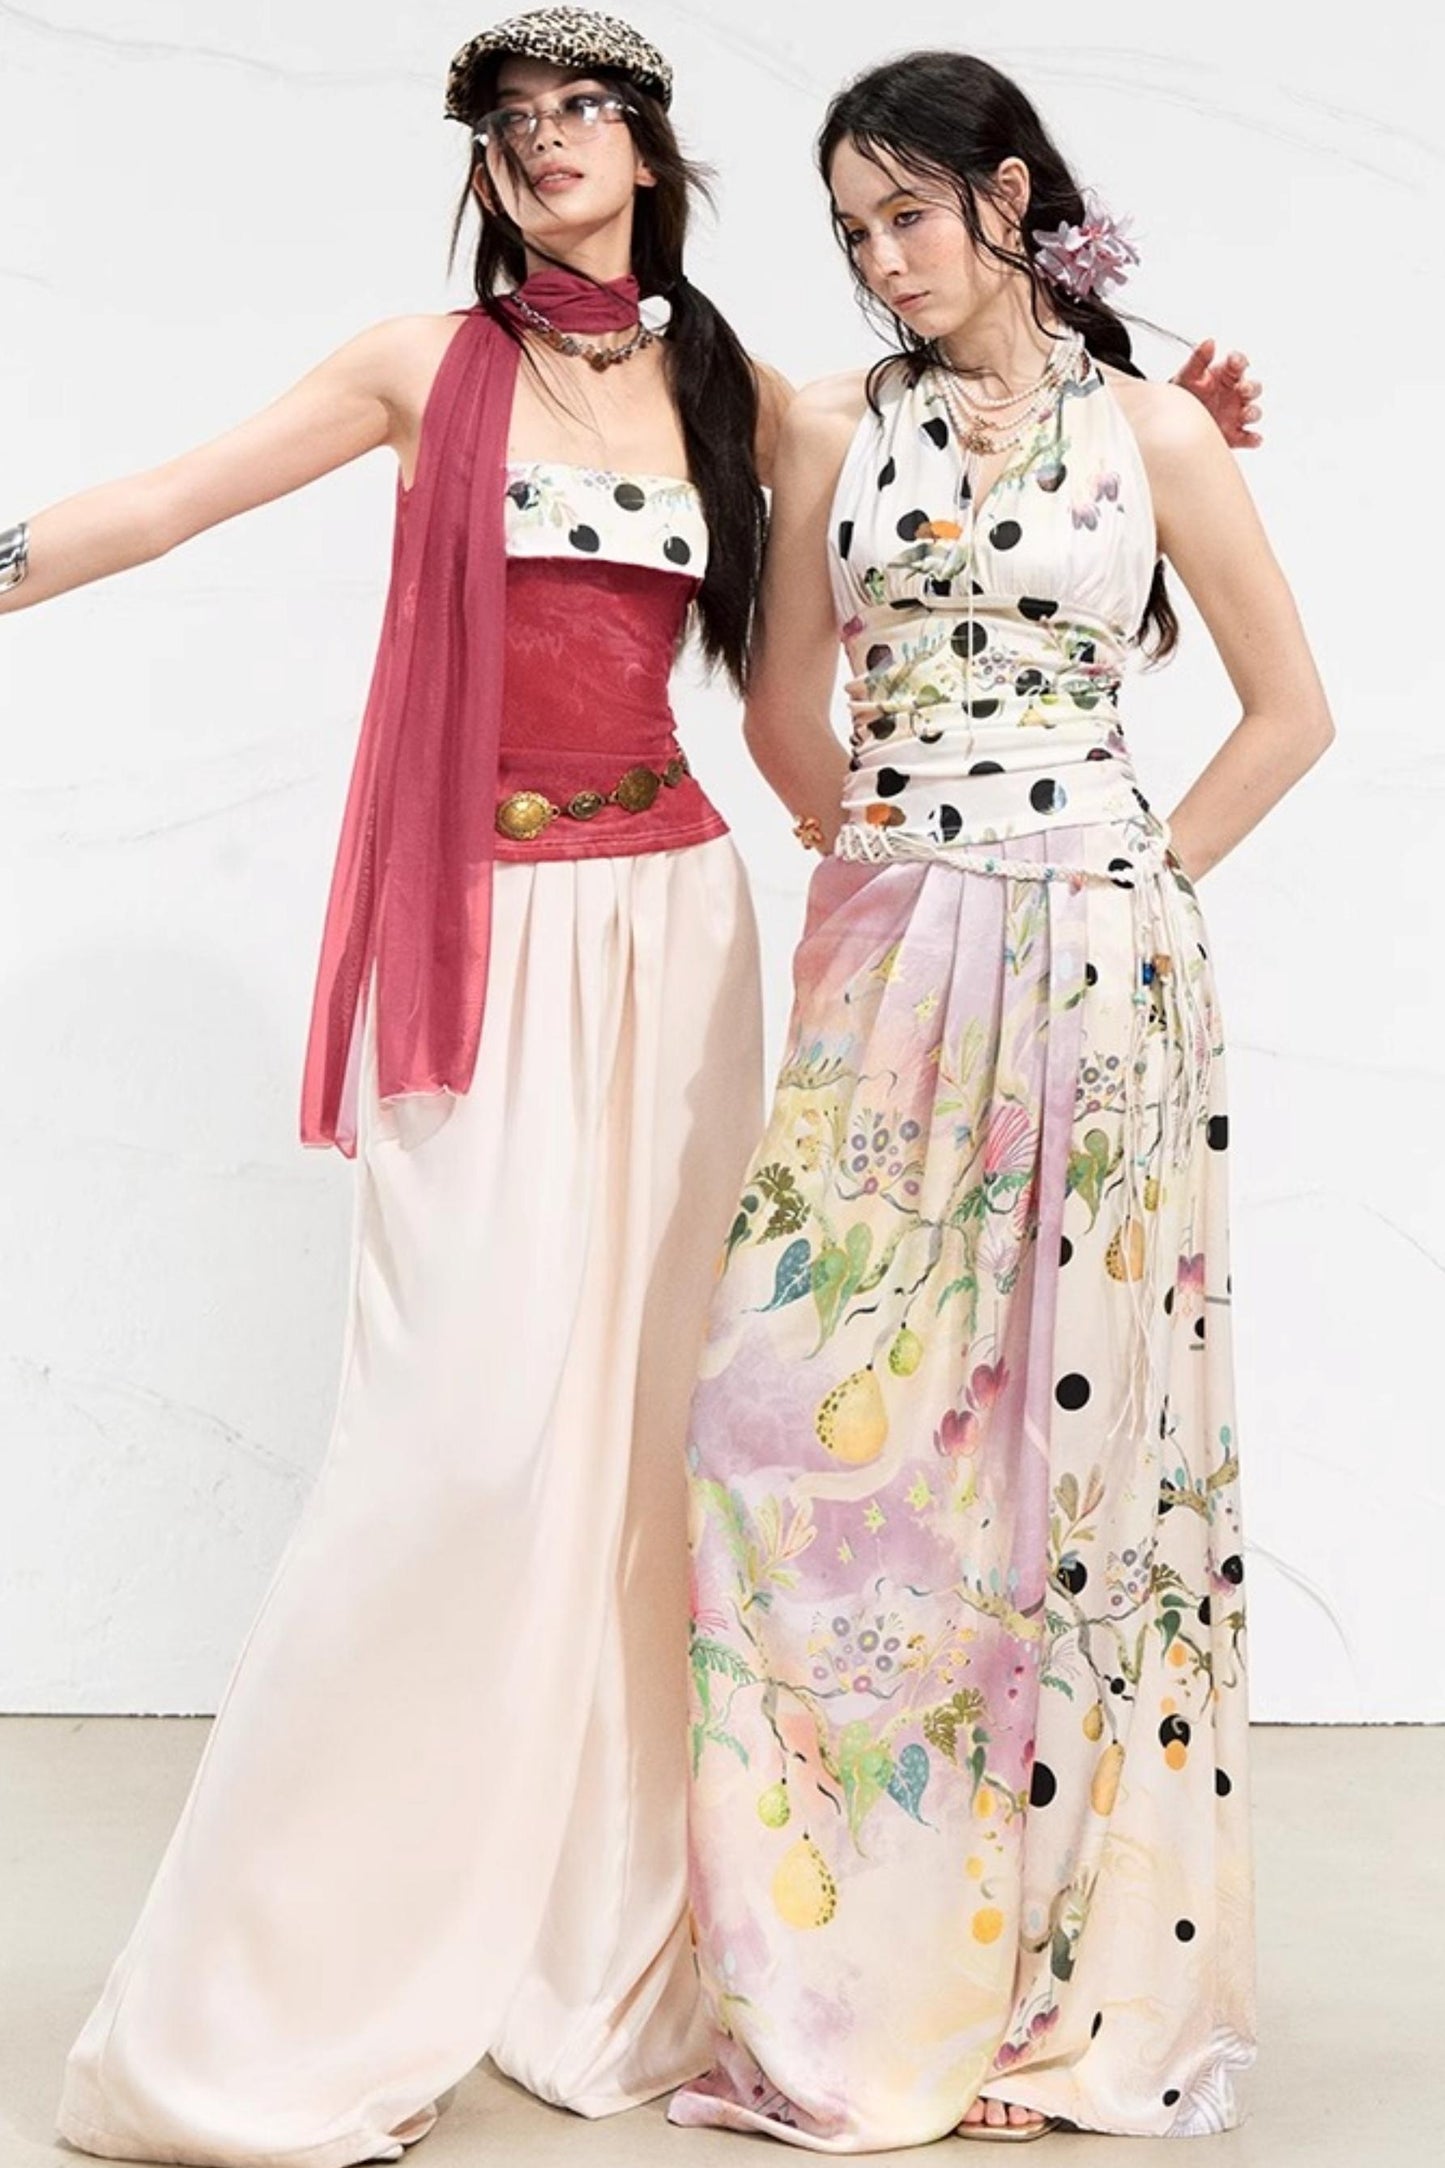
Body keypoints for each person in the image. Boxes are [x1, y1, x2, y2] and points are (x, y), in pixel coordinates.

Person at [14, 12, 782, 2164]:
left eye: (580, 111)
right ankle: (273, 1996)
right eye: (510, 123)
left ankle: (594, 1937)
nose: (545, 145)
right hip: (485, 934)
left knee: (648, 1443)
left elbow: (901, 559)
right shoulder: (415, 367)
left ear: (650, 147)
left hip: (681, 933)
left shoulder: (741, 396)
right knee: (449, 1435)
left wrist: (1143, 438)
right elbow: (163, 501)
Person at [670, 50, 1329, 2151]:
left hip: (1101, 968)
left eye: (907, 216)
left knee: (1075, 1452)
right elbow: (782, 699)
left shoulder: (1155, 433)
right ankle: (864, 1960)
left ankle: (1068, 1984)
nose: (880, 261)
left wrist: (1130, 881)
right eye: (850, 230)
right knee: (787, 1422)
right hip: (889, 954)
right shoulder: (824, 421)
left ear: (1008, 196)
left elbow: (1290, 711)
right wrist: (867, 863)